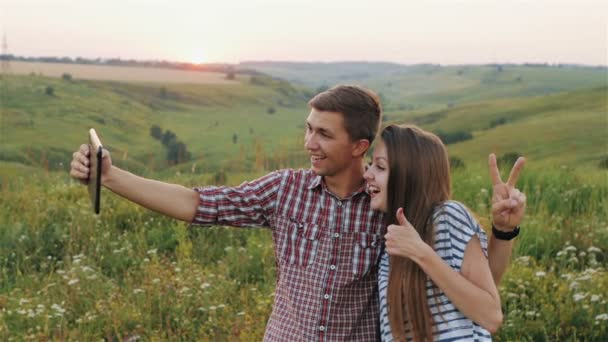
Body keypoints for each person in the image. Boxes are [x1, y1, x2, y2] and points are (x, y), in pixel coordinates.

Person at [70, 85, 525, 341]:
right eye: (308, 129)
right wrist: (112, 177)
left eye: (324, 135)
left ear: (359, 147)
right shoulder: (285, 189)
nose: (309, 143)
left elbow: (478, 291)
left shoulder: (391, 205)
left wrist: (503, 232)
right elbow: (198, 203)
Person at [363, 124, 526, 341]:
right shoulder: (393, 244)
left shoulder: (446, 217)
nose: (368, 174)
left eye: (380, 167)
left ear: (409, 175)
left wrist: (422, 254)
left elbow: (490, 315)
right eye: (371, 165)